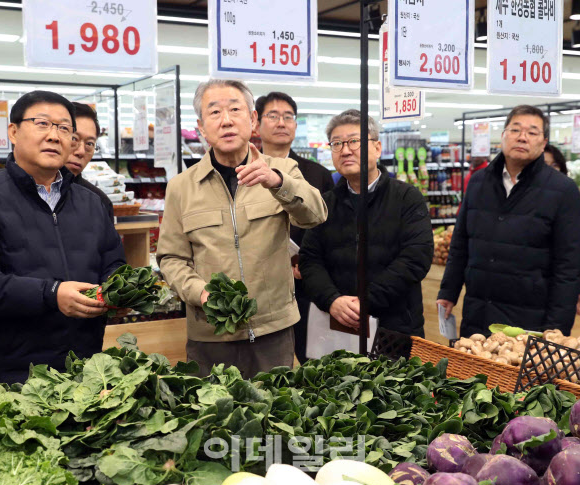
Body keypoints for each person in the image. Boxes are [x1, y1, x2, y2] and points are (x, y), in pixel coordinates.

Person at [0, 90, 126, 385]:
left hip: (84, 371)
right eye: (42, 123)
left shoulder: (93, 203)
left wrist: (119, 292)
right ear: (13, 132)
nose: (55, 136)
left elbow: (113, 263)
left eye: (64, 128)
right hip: (10, 376)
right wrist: (52, 294)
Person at [156, 79, 327, 378]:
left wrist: (277, 182)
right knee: (211, 419)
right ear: (200, 127)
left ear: (252, 120)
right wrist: (201, 293)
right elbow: (171, 258)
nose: (226, 120)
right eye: (215, 112)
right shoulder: (181, 187)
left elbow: (315, 215)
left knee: (275, 417)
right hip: (210, 335)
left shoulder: (282, 170)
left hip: (273, 330)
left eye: (235, 109)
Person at [437, 105, 580, 337]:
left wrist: (556, 329)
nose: (522, 137)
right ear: (503, 135)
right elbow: (460, 244)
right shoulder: (478, 183)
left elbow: (569, 267)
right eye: (515, 129)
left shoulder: (563, 190)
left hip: (528, 322)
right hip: (478, 315)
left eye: (532, 132)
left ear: (543, 142)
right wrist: (448, 291)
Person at [299, 109, 433, 346]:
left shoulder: (406, 198)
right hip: (337, 324)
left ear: (377, 148)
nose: (346, 150)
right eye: (337, 143)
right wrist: (332, 300)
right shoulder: (325, 204)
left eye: (354, 141)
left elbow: (415, 258)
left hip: (395, 326)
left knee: (395, 382)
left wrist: (365, 301)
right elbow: (310, 260)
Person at [255, 91, 334, 364]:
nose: (281, 123)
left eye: (288, 117)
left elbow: (326, 225)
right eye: (273, 116)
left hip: (307, 284)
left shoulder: (317, 174)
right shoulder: (245, 172)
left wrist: (307, 262)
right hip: (259, 287)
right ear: (257, 124)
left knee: (313, 362)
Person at [66, 102, 114, 221]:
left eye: (89, 144)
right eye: (74, 139)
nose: (81, 151)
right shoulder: (19, 193)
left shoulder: (99, 202)